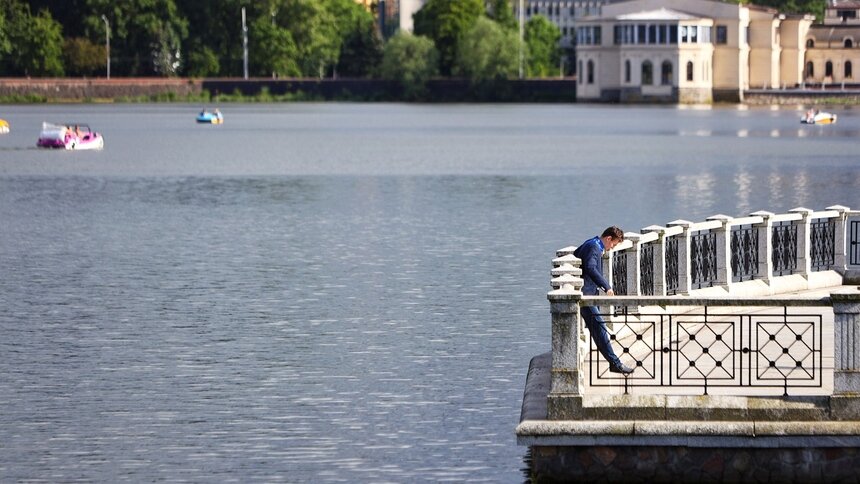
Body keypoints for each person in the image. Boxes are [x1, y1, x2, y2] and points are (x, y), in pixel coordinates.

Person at [573, 226, 635, 375]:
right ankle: (615, 364)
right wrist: (606, 286)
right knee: (600, 329)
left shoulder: (591, 242)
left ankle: (614, 362)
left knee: (598, 329)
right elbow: (590, 267)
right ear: (608, 238)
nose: (612, 248)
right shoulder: (594, 247)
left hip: (587, 294)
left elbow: (576, 254)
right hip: (585, 296)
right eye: (613, 244)